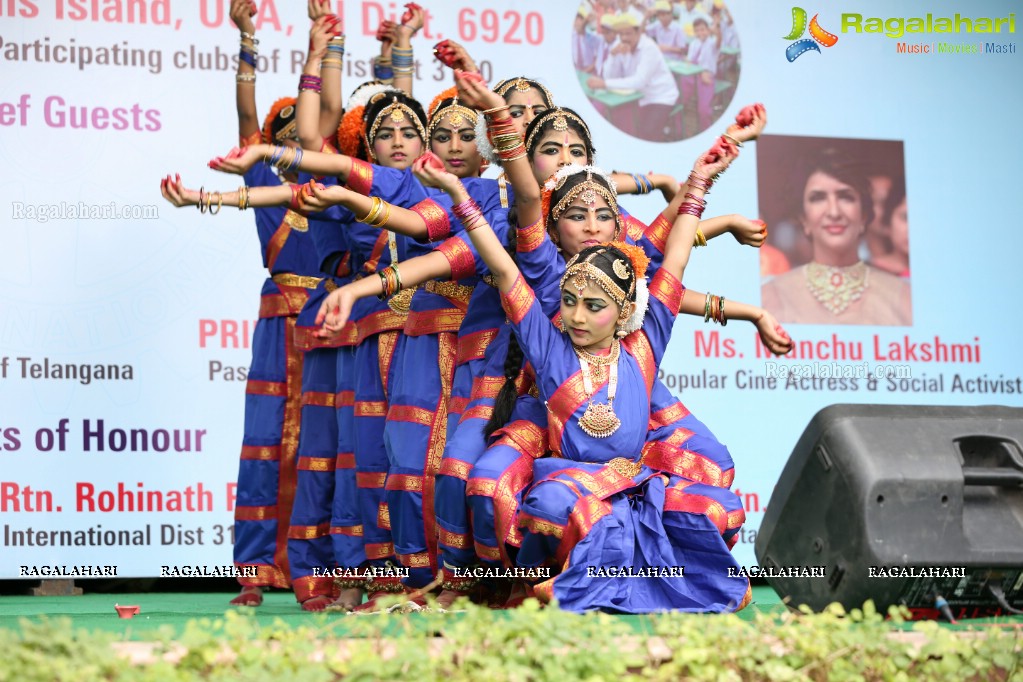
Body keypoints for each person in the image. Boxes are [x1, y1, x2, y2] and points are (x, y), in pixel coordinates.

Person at [411, 111, 752, 612]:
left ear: (622, 312)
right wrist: (460, 197)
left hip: (634, 481)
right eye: (568, 301)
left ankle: (648, 574)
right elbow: (506, 271)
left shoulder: (642, 344)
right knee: (532, 500)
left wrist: (701, 179)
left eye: (592, 306)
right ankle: (523, 588)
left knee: (719, 506)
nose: (573, 315)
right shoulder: (550, 344)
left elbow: (675, 258)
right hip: (567, 474)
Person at [761, 148, 912, 325]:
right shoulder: (771, 297)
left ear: (863, 215)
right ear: (804, 219)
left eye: (846, 197)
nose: (834, 212)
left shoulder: (903, 297)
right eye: (818, 198)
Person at [588, 9, 680, 142]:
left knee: (647, 133)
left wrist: (604, 84)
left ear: (638, 32)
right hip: (636, 95)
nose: (624, 38)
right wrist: (613, 56)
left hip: (660, 96)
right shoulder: (621, 46)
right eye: (621, 34)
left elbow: (639, 81)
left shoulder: (649, 48)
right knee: (621, 124)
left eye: (628, 33)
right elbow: (610, 76)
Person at [680, 17, 720, 133]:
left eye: (703, 30)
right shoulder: (694, 43)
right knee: (680, 99)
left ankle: (706, 130)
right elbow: (690, 61)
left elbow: (719, 41)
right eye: (697, 30)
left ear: (708, 30)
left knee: (704, 110)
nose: (700, 33)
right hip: (693, 75)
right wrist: (686, 62)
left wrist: (716, 30)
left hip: (706, 77)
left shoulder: (712, 43)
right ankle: (679, 128)